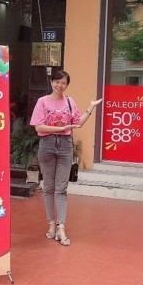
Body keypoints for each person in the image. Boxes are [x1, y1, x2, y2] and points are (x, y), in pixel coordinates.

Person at [30, 70, 102, 246]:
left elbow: (78, 123)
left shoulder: (69, 101)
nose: (60, 85)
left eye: (63, 83)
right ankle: (51, 224)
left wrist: (90, 107)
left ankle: (61, 227)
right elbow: (38, 127)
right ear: (51, 82)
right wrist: (61, 129)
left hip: (65, 146)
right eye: (57, 81)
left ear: (67, 85)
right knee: (48, 187)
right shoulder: (42, 101)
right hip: (47, 145)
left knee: (61, 189)